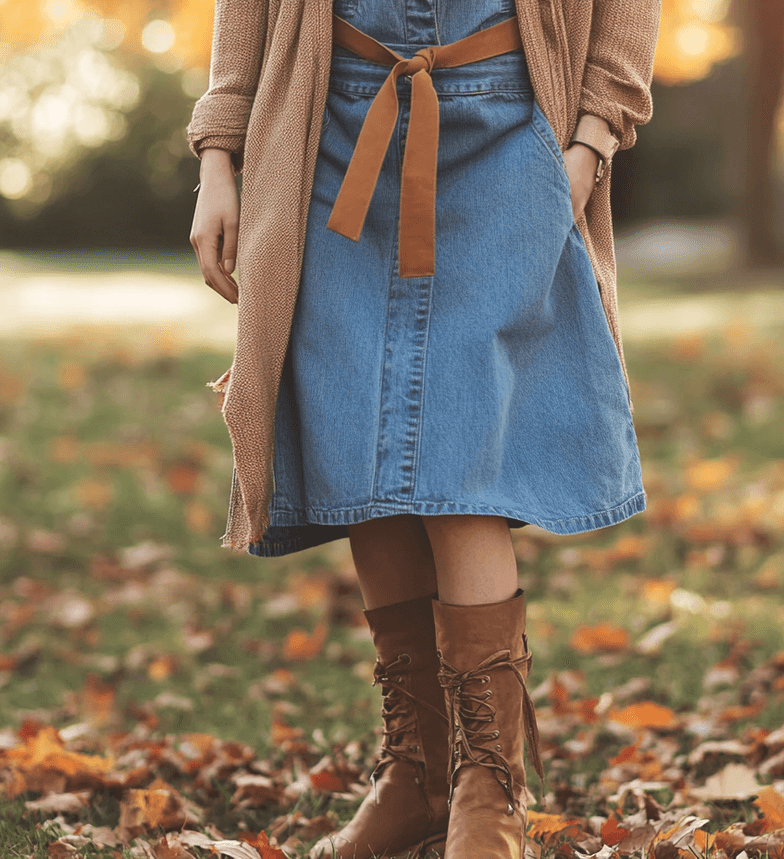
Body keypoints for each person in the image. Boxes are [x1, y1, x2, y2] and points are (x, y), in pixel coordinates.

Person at [187, 2, 659, 857]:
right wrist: (219, 151)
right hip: (332, 124)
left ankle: (490, 785)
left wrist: (590, 142)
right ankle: (417, 776)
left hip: (509, 129)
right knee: (360, 446)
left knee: (463, 460)